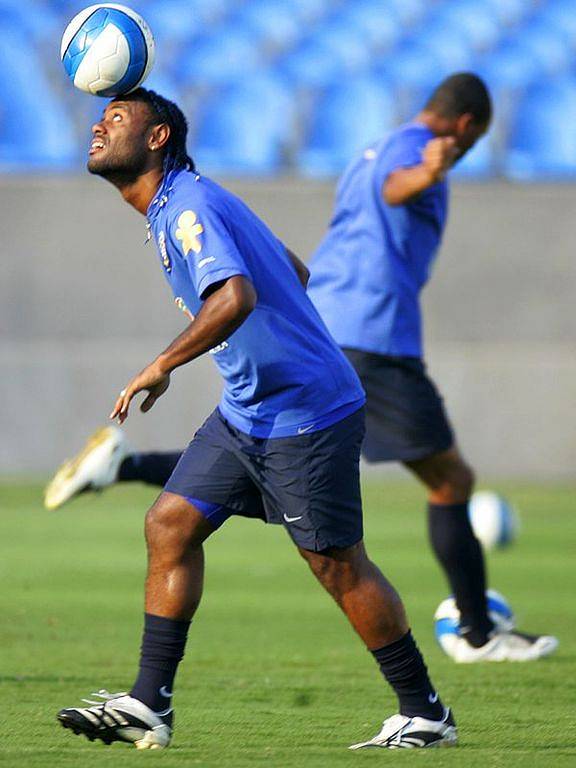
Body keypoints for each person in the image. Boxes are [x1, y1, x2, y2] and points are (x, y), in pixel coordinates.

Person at [46, 74, 558, 666]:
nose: (98, 125)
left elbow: (291, 265)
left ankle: (124, 467)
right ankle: (474, 635)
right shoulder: (412, 153)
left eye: (114, 117)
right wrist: (433, 171)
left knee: (258, 488)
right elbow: (396, 190)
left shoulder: (365, 150)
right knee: (437, 491)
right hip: (367, 338)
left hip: (320, 335)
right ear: (466, 126)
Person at [56, 88, 457, 751]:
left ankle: (425, 712)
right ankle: (149, 703)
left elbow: (236, 294)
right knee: (169, 523)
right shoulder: (184, 202)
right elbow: (292, 270)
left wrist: (163, 363)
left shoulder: (185, 206)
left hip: (304, 413)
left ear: (158, 138)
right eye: (100, 118)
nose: (99, 127)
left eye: (117, 119)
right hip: (249, 410)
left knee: (337, 566)